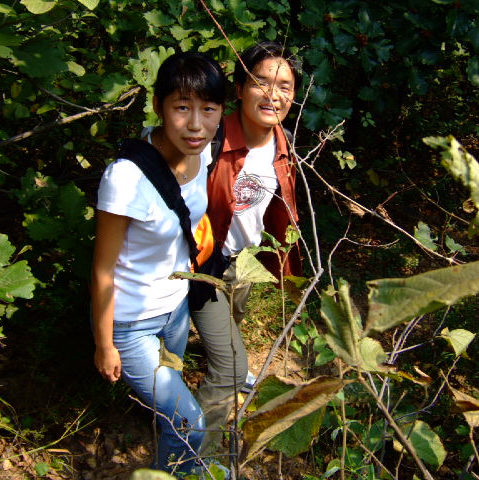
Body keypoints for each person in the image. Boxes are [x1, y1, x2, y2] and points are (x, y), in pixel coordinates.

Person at [90, 51, 225, 476]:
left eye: (208, 109)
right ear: (158, 107)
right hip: (131, 324)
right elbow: (102, 270)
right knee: (189, 421)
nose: (196, 124)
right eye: (182, 107)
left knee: (171, 410)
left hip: (176, 309)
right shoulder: (126, 178)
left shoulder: (202, 152)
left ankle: (172, 455)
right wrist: (104, 344)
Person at [192, 41, 303, 455]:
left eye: (285, 86)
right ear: (238, 89)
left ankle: (220, 353)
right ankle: (197, 457)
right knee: (228, 366)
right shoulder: (210, 135)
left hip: (246, 261)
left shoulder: (283, 144)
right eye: (261, 82)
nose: (274, 94)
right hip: (202, 263)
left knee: (233, 320)